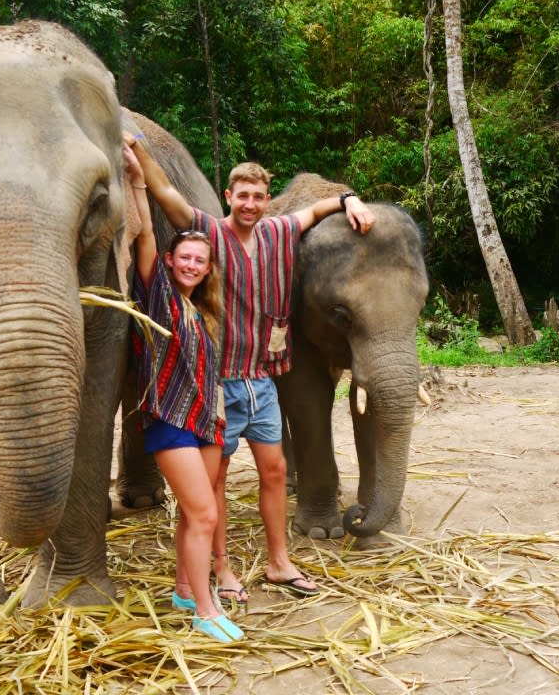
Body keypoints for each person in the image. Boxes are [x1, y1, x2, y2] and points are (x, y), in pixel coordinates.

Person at [128, 137, 375, 606]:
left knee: (276, 469)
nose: (250, 204)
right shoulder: (207, 232)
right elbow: (168, 197)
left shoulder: (279, 231)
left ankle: (279, 562)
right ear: (228, 197)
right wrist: (140, 156)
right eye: (242, 195)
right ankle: (222, 568)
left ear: (266, 200)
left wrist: (350, 199)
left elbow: (317, 210)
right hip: (218, 383)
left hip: (261, 379)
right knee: (216, 479)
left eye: (258, 196)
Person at [123, 138, 243, 643]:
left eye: (201, 260)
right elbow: (147, 231)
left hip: (206, 420)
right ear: (171, 262)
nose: (192, 265)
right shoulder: (159, 294)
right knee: (203, 513)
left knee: (199, 512)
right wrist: (135, 179)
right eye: (185, 258)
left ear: (207, 268)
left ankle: (182, 588)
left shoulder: (207, 313)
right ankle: (205, 610)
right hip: (171, 421)